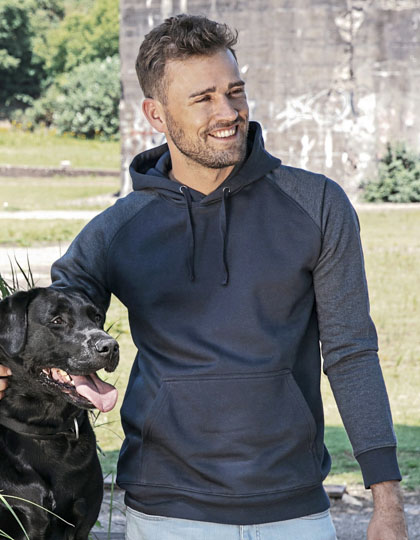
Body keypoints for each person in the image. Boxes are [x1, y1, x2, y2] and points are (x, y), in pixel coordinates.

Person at [0, 14, 408, 540]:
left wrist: (387, 501)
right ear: (156, 114)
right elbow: (49, 324)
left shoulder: (317, 204)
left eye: (235, 92)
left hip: (295, 512)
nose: (228, 112)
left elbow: (352, 353)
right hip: (165, 514)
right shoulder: (118, 230)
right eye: (203, 98)